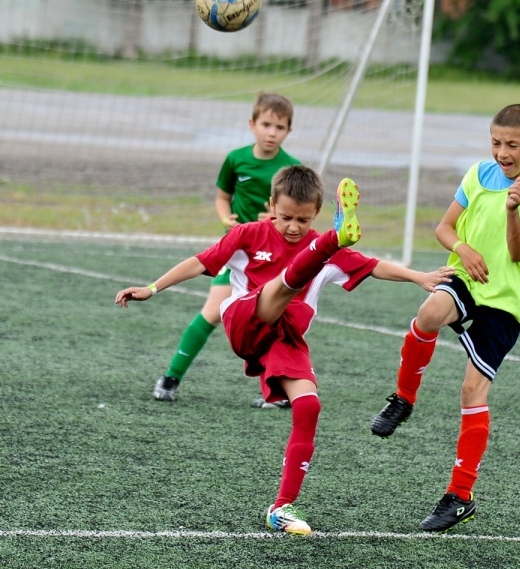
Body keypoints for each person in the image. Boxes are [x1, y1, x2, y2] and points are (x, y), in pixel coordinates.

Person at [116, 167, 453, 535]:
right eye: (286, 217)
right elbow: (199, 262)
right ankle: (335, 239)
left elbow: (374, 267)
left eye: (303, 220)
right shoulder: (248, 234)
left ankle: (281, 507)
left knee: (309, 405)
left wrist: (419, 276)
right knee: (283, 287)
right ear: (271, 205)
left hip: (285, 338)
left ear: (316, 214)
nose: (293, 226)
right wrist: (153, 287)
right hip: (246, 318)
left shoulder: (320, 244)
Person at [368, 103, 520, 532]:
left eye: (512, 145)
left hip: (505, 301)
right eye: (496, 142)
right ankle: (403, 399)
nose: (502, 152)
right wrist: (463, 248)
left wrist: (513, 210)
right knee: (430, 311)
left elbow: (517, 252)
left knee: (472, 390)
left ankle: (459, 495)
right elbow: (444, 229)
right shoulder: (477, 174)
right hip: (468, 280)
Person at [152, 92, 300, 407]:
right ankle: (171, 376)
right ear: (252, 124)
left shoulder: (290, 168)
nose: (272, 132)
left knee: (272, 322)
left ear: (288, 131)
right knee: (213, 311)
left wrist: (275, 219)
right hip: (236, 253)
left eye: (280, 127)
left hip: (271, 257)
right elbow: (222, 197)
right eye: (266, 124)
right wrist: (225, 218)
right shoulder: (236, 159)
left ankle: (279, 391)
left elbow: (296, 213)